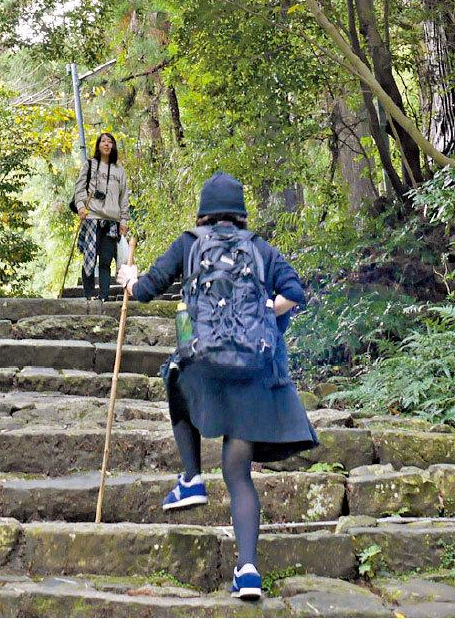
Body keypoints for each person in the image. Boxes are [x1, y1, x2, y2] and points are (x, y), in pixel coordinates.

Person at [115, 171, 317, 601]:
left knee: (174, 376)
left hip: (203, 369)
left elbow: (147, 289)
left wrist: (129, 277)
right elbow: (296, 293)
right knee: (239, 475)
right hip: (252, 374)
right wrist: (266, 310)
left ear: (203, 212)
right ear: (241, 214)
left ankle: (191, 477)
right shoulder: (261, 249)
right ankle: (248, 571)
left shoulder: (189, 244)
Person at [73, 132, 130, 301]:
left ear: (113, 146)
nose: (107, 144)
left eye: (110, 141)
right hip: (92, 217)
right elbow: (80, 188)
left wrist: (124, 219)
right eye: (103, 141)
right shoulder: (89, 165)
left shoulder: (119, 170)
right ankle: (88, 295)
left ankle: (103, 296)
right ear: (98, 145)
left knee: (105, 260)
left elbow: (124, 197)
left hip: (112, 220)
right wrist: (81, 206)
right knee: (89, 258)